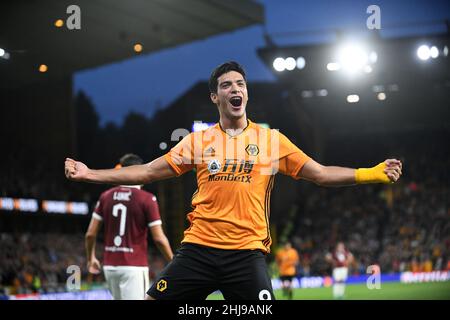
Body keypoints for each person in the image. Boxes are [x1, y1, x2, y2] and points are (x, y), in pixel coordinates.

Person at [66, 61, 403, 300]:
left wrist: (370, 172)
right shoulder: (197, 142)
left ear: (246, 94)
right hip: (198, 250)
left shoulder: (272, 141)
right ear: (216, 97)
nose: (235, 88)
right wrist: (90, 173)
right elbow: (150, 171)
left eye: (240, 83)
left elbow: (320, 173)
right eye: (227, 85)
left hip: (246, 255)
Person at [84, 153, 173, 300]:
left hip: (110, 266)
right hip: (134, 266)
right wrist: (172, 261)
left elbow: (90, 234)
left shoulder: (105, 196)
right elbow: (158, 238)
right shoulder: (147, 199)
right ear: (139, 170)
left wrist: (91, 258)